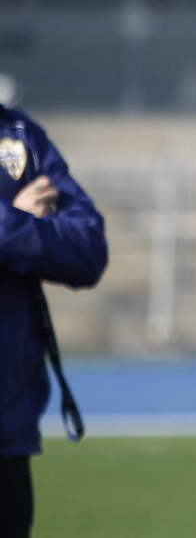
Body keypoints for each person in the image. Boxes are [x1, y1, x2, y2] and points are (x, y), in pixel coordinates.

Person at [1, 105, 108, 538]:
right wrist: (16, 220)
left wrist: (10, 228)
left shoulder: (20, 136)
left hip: (6, 434)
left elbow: (87, 250)